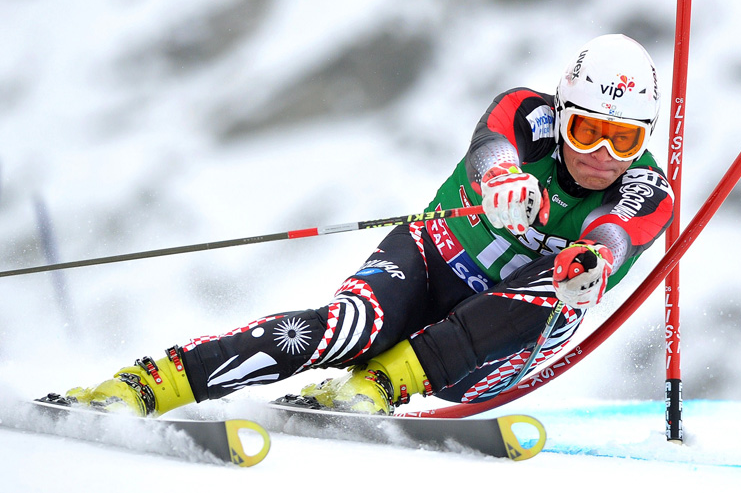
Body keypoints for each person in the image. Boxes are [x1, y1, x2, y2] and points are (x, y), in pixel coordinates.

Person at [64, 34, 675, 416]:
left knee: (570, 282)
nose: (601, 153)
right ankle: (156, 382)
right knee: (344, 328)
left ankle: (385, 383)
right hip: (428, 260)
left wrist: (591, 259)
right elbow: (492, 145)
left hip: (492, 351)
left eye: (623, 140)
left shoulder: (647, 189)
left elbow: (615, 237)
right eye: (585, 130)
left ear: (644, 141)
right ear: (561, 111)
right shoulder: (524, 112)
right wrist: (498, 182)